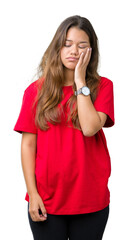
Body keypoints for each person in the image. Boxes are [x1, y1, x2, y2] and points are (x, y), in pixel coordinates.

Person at [14, 15, 115, 240]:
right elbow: (28, 145)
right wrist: (32, 194)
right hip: (47, 200)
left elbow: (89, 128)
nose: (74, 51)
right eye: (67, 44)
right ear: (57, 48)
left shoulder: (103, 87)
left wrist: (80, 82)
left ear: (91, 51)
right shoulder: (35, 91)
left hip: (91, 199)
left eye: (82, 46)